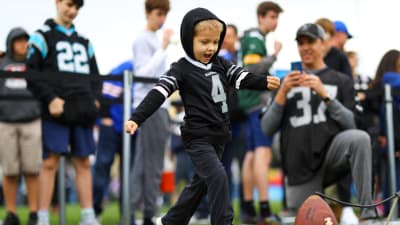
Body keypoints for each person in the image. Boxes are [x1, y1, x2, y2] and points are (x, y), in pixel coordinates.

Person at [125, 7, 280, 225]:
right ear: (189, 40)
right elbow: (158, 92)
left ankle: (171, 221)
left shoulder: (220, 64)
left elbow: (240, 76)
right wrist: (136, 118)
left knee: (199, 185)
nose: (210, 48)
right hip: (198, 138)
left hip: (219, 137)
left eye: (215, 42)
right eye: (204, 42)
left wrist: (262, 81)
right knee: (217, 176)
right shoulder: (181, 69)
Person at [261, 23, 378, 224]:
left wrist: (325, 95)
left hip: (332, 155)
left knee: (359, 138)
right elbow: (267, 128)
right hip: (299, 166)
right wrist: (282, 93)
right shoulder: (284, 82)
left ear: (323, 44)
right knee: (306, 218)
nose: (305, 47)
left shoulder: (341, 80)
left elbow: (352, 125)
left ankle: (367, 215)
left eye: (311, 42)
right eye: (301, 43)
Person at [26, 0, 102, 225]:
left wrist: (95, 100)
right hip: (56, 109)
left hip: (82, 109)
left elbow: (96, 76)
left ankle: (88, 216)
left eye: (78, 7)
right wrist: (50, 98)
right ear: (57, 2)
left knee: (84, 162)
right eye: (69, 4)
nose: (73, 11)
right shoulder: (41, 36)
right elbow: (31, 73)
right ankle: (42, 217)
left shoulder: (84, 41)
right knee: (49, 162)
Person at [238, 1, 283, 224]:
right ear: (261, 17)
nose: (275, 22)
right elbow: (252, 71)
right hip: (257, 102)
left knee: (251, 155)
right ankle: (264, 209)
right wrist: (274, 55)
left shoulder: (251, 38)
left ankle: (249, 209)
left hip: (249, 103)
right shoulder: (255, 38)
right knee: (262, 154)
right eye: (272, 17)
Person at [130, 1, 172, 224]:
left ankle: (139, 211)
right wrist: (163, 49)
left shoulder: (153, 39)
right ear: (148, 13)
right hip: (151, 106)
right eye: (158, 13)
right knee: (151, 162)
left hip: (155, 106)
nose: (162, 18)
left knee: (144, 161)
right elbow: (142, 73)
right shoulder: (143, 40)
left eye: (165, 14)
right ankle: (146, 212)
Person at [315, 18, 358, 225]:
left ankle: (346, 208)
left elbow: (348, 87)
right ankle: (316, 209)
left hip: (336, 120)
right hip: (315, 123)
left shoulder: (339, 57)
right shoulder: (310, 58)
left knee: (343, 163)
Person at [0, 27, 41, 225]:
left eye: (25, 41)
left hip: (31, 120)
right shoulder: (2, 62)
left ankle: (34, 213)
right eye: (18, 41)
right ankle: (11, 213)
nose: (22, 44)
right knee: (9, 171)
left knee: (32, 169)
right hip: (6, 122)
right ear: (10, 43)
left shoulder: (34, 63)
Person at [92, 60, 136, 225]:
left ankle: (127, 215)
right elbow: (103, 91)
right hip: (111, 127)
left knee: (129, 173)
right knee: (102, 167)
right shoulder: (126, 67)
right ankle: (94, 212)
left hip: (132, 129)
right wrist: (105, 117)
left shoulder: (152, 69)